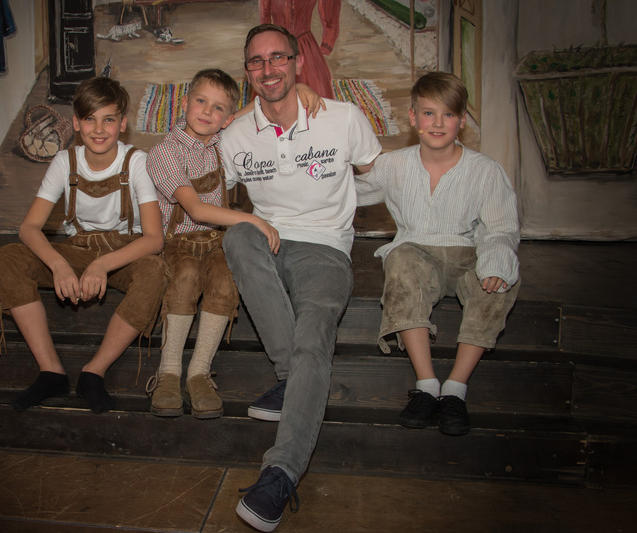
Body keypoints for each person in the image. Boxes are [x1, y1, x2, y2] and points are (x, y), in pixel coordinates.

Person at [219, 24, 381, 532]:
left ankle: (281, 472)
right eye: (256, 61)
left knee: (314, 336)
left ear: (297, 62)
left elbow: (381, 175)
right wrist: (233, 116)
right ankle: (293, 377)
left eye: (278, 58)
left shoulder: (343, 118)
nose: (268, 69)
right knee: (237, 235)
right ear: (248, 71)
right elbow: (197, 171)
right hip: (265, 239)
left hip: (326, 248)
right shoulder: (235, 135)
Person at [355, 71, 520, 437]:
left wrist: (494, 264)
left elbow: (501, 228)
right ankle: (427, 385)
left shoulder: (485, 171)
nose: (438, 123)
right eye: (429, 113)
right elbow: (348, 192)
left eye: (448, 114)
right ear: (413, 117)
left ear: (461, 121)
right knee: (401, 262)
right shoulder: (394, 164)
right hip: (416, 250)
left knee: (498, 277)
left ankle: (455, 389)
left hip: (466, 252)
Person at [0, 77, 168, 414]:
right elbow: (28, 227)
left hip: (122, 253)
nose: (99, 129)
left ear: (123, 124)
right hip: (76, 249)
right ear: (75, 123)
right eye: (90, 119)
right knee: (7, 257)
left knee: (155, 270)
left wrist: (102, 265)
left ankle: (94, 371)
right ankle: (51, 371)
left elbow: (154, 239)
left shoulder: (136, 162)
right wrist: (58, 264)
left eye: (109, 119)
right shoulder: (65, 161)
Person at [145, 68, 280, 419]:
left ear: (226, 118)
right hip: (178, 241)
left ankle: (199, 372)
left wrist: (302, 89)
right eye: (201, 101)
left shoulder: (220, 142)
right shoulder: (164, 152)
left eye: (218, 108)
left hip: (215, 240)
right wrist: (254, 219)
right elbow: (194, 209)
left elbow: (251, 109)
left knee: (225, 278)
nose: (207, 112)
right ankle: (169, 372)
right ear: (185, 103)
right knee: (187, 275)